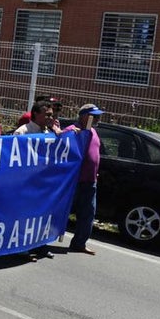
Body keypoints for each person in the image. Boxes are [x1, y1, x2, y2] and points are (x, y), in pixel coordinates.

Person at [65, 104, 104, 255]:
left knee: (88, 213)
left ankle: (79, 243)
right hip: (73, 181)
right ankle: (42, 241)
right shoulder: (72, 131)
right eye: (93, 115)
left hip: (90, 181)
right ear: (83, 116)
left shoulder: (93, 131)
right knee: (63, 211)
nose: (97, 118)